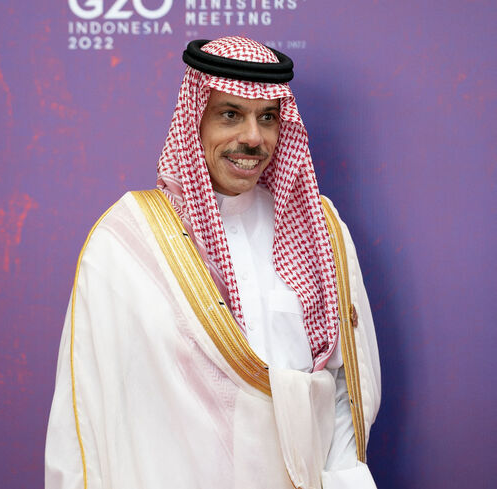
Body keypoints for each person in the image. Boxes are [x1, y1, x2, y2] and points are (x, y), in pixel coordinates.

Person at [45, 36, 381, 488]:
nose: (253, 138)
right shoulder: (127, 240)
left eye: (268, 118)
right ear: (194, 122)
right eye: (230, 115)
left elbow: (343, 387)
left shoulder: (320, 228)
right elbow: (83, 409)